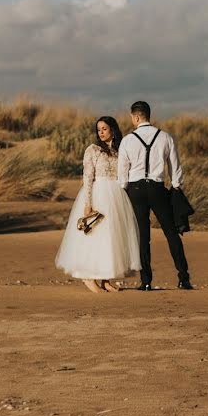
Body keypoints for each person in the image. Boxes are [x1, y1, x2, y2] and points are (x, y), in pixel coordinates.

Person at [55, 116, 141, 293]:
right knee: (94, 235)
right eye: (98, 129)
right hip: (98, 193)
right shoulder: (93, 150)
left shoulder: (120, 150)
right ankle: (87, 276)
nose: (101, 132)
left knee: (112, 237)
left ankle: (105, 279)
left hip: (116, 195)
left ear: (113, 130)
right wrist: (88, 203)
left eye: (104, 129)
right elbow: (87, 177)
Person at [118, 101, 193, 291]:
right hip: (158, 189)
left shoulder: (127, 140)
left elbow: (122, 174)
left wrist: (123, 190)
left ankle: (146, 281)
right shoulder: (166, 137)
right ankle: (183, 278)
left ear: (135, 117)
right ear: (148, 115)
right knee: (171, 234)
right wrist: (176, 187)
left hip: (135, 190)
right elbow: (175, 169)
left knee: (143, 237)